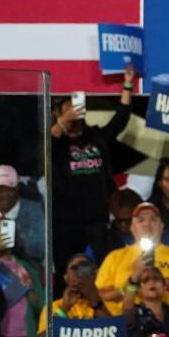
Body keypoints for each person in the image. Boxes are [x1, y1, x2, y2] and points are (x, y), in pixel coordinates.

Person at [50, 67, 137, 266]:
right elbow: (46, 147)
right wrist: (63, 122)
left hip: (99, 221)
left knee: (104, 269)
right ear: (58, 111)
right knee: (71, 272)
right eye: (68, 107)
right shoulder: (56, 142)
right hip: (67, 224)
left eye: (77, 106)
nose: (74, 111)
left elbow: (121, 119)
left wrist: (127, 84)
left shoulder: (96, 137)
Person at [96, 202, 169, 309]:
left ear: (161, 226)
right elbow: (100, 295)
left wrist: (164, 282)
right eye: (141, 220)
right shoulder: (115, 257)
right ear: (132, 228)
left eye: (153, 220)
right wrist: (132, 280)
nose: (147, 224)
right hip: (124, 321)